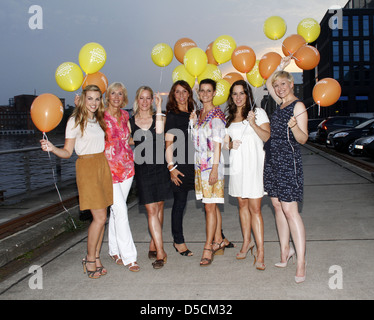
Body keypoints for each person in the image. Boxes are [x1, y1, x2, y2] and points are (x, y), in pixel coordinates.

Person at [40, 85, 112, 279]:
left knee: (103, 217)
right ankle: (89, 259)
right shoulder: (74, 120)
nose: (94, 103)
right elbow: (67, 152)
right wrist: (52, 148)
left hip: (101, 165)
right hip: (87, 168)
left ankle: (96, 258)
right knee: (99, 218)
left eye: (97, 99)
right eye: (90, 98)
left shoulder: (98, 118)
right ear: (82, 99)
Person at [264, 56, 308, 283]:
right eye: (277, 85)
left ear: (292, 84)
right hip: (273, 161)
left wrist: (294, 128)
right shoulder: (280, 103)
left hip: (288, 163)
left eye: (284, 84)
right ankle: (285, 252)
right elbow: (267, 80)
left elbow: (303, 139)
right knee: (277, 207)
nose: (280, 88)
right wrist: (280, 65)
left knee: (291, 211)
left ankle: (301, 262)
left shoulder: (298, 106)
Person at [224, 80, 270, 270]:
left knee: (255, 208)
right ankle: (246, 242)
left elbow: (267, 137)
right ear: (231, 97)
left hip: (254, 166)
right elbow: (226, 143)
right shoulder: (229, 117)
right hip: (237, 167)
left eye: (242, 93)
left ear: (247, 94)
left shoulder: (258, 113)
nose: (238, 97)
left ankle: (260, 251)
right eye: (235, 94)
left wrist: (252, 124)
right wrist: (228, 145)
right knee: (242, 205)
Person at [129, 86, 170, 269]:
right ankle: (161, 252)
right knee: (151, 209)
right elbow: (127, 140)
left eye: (148, 98)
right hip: (143, 169)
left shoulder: (158, 118)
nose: (145, 102)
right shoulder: (130, 122)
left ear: (152, 101)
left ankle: (154, 243)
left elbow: (160, 133)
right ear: (137, 100)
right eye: (141, 98)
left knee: (159, 206)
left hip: (160, 167)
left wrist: (160, 108)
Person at [190, 78, 226, 267]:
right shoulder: (200, 114)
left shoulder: (216, 116)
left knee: (209, 208)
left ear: (214, 93)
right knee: (212, 204)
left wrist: (214, 170)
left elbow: (218, 145)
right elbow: (196, 141)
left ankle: (208, 246)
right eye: (202, 90)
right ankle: (219, 239)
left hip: (211, 166)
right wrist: (192, 123)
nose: (205, 93)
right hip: (200, 166)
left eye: (208, 91)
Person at [104, 82, 139, 272]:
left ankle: (113, 250)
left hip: (126, 168)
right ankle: (130, 257)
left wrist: (142, 138)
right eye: (113, 93)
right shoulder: (100, 115)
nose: (116, 97)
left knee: (116, 211)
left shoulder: (126, 115)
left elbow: (129, 139)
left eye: (120, 94)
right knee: (121, 210)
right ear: (107, 96)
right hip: (108, 170)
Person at [165, 80, 196, 257]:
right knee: (180, 204)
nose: (181, 95)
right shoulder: (172, 115)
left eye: (185, 91)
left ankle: (218, 237)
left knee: (210, 203)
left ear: (189, 94)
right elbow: (168, 144)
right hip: (180, 165)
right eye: (178, 92)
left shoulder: (193, 113)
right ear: (173, 95)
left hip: (196, 164)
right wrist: (171, 168)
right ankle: (178, 241)